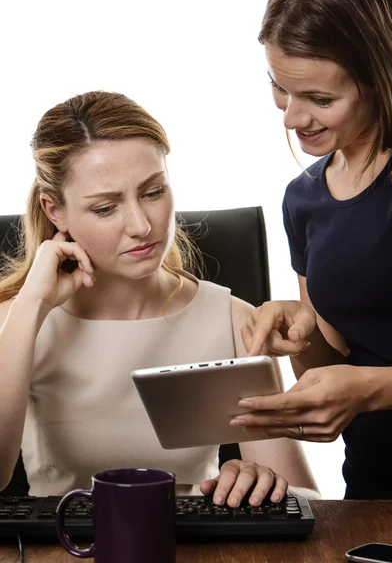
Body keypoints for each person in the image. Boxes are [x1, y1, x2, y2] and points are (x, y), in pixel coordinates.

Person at [0, 90, 318, 506]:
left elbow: (309, 500)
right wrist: (31, 304)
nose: (141, 226)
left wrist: (265, 484)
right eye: (105, 208)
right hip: (66, 547)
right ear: (54, 211)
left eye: (153, 193)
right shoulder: (18, 322)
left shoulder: (233, 320)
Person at [231, 0, 392, 499]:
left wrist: (376, 389)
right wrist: (301, 331)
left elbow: (366, 384)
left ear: (382, 77)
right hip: (376, 491)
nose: (291, 117)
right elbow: (337, 367)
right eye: (280, 89)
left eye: (320, 100)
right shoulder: (304, 200)